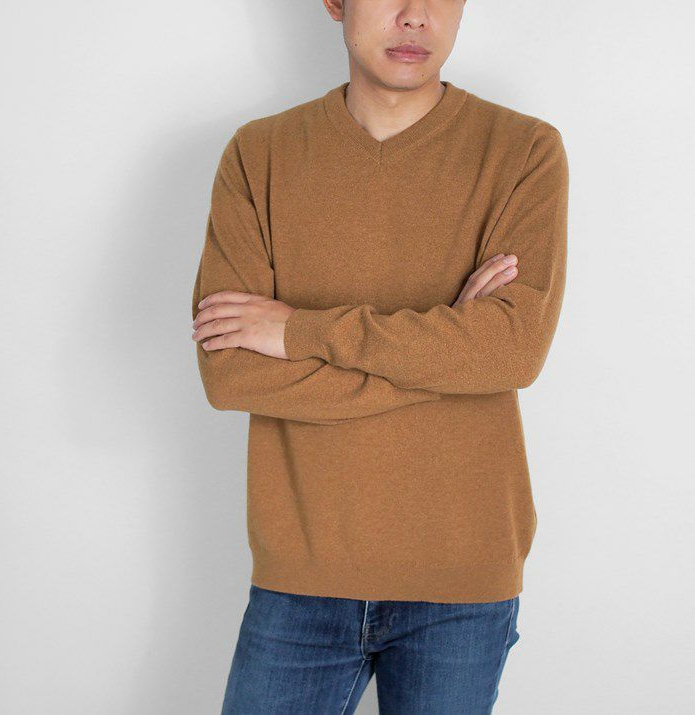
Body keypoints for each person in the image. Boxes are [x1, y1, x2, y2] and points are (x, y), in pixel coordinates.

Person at [190, 0, 568, 711]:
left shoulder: (522, 150)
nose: (416, 16)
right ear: (335, 3)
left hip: (463, 576)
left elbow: (511, 353)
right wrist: (451, 350)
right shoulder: (259, 153)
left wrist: (298, 331)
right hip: (300, 575)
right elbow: (230, 372)